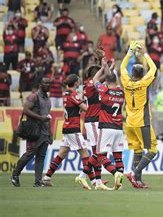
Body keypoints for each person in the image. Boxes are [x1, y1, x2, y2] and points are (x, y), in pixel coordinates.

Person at [76, 59, 125, 190]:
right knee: (110, 154)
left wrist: (105, 67)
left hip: (105, 125)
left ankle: (88, 177)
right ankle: (94, 179)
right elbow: (111, 80)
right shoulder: (121, 92)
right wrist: (110, 69)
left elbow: (98, 80)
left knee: (99, 154)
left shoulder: (103, 91)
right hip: (111, 126)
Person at [121, 42, 158, 189]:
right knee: (153, 150)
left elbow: (122, 67)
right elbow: (154, 68)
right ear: (143, 74)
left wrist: (130, 51)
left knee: (137, 150)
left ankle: (138, 181)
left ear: (132, 73)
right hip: (142, 122)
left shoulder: (126, 81)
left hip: (129, 122)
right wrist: (145, 53)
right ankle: (134, 174)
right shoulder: (144, 83)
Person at [42, 74, 89, 186]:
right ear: (76, 83)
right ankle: (95, 181)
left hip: (67, 127)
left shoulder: (66, 94)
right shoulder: (73, 95)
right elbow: (85, 109)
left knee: (61, 154)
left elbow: (75, 108)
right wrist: (86, 100)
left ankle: (47, 177)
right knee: (85, 154)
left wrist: (81, 99)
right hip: (73, 128)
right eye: (78, 81)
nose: (79, 83)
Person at [10, 78, 52, 187]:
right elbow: (25, 109)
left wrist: (50, 133)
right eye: (46, 83)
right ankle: (15, 174)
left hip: (45, 133)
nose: (48, 85)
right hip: (35, 131)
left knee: (41, 157)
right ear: (40, 84)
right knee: (29, 154)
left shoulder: (48, 99)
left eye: (49, 83)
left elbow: (48, 117)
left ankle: (38, 182)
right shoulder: (34, 96)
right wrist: (40, 118)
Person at [74, 64, 103, 188]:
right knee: (98, 151)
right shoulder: (91, 84)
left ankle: (97, 181)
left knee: (98, 151)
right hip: (92, 121)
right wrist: (104, 65)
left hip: (96, 121)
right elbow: (106, 74)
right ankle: (83, 176)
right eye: (99, 73)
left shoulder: (92, 84)